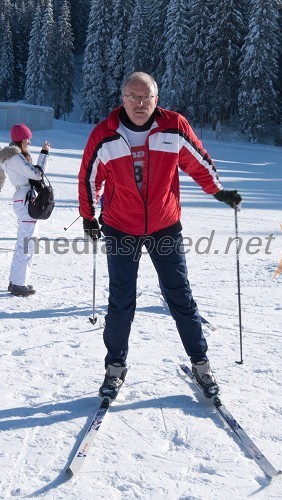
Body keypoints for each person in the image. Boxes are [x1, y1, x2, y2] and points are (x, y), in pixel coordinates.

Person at [78, 72, 242, 399]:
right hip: (120, 226)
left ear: (156, 98)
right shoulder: (105, 135)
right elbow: (88, 177)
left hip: (165, 226)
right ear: (122, 98)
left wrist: (218, 192)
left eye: (147, 97)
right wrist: (89, 216)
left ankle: (201, 363)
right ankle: (115, 368)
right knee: (121, 302)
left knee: (180, 296)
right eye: (133, 97)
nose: (140, 104)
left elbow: (198, 162)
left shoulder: (173, 127)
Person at [0, 124, 51, 296]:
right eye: (27, 138)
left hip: (22, 198)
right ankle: (19, 283)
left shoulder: (11, 156)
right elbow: (37, 174)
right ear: (21, 139)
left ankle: (16, 281)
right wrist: (44, 154)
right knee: (27, 243)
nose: (29, 141)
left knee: (24, 241)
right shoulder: (15, 156)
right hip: (25, 199)